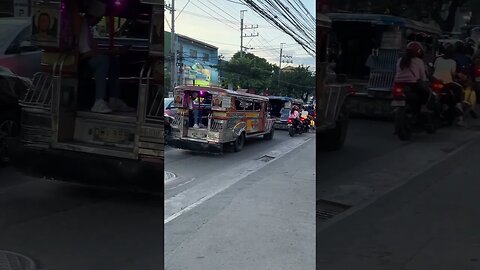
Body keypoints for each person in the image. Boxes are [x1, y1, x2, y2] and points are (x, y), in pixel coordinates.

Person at [78, 0, 133, 113]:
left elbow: (95, 49)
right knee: (102, 61)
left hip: (88, 58)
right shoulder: (82, 25)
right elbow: (86, 52)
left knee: (113, 61)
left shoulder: (88, 27)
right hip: (82, 61)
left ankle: (114, 99)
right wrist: (108, 52)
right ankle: (98, 101)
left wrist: (113, 52)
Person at [394, 41, 431, 112]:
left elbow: (397, 71)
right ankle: (420, 111)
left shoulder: (400, 60)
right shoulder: (419, 61)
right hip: (412, 84)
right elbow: (423, 77)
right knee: (426, 93)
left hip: (398, 83)